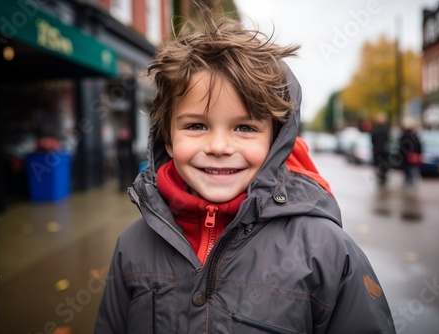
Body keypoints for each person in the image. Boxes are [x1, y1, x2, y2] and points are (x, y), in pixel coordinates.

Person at [95, 7, 395, 334]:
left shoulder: (326, 251)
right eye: (196, 125)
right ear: (167, 139)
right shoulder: (133, 245)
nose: (220, 146)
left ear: (275, 141)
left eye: (245, 128)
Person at [399, 117, 422, 186]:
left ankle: (409, 183)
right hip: (413, 158)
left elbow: (401, 147)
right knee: (413, 172)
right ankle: (411, 183)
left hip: (406, 158)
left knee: (408, 173)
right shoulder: (414, 135)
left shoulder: (404, 135)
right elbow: (419, 146)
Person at [371, 112, 390, 185]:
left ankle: (379, 176)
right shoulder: (385, 130)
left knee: (377, 165)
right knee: (384, 165)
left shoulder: (375, 130)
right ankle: (383, 176)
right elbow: (387, 140)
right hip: (384, 150)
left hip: (377, 150)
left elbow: (373, 140)